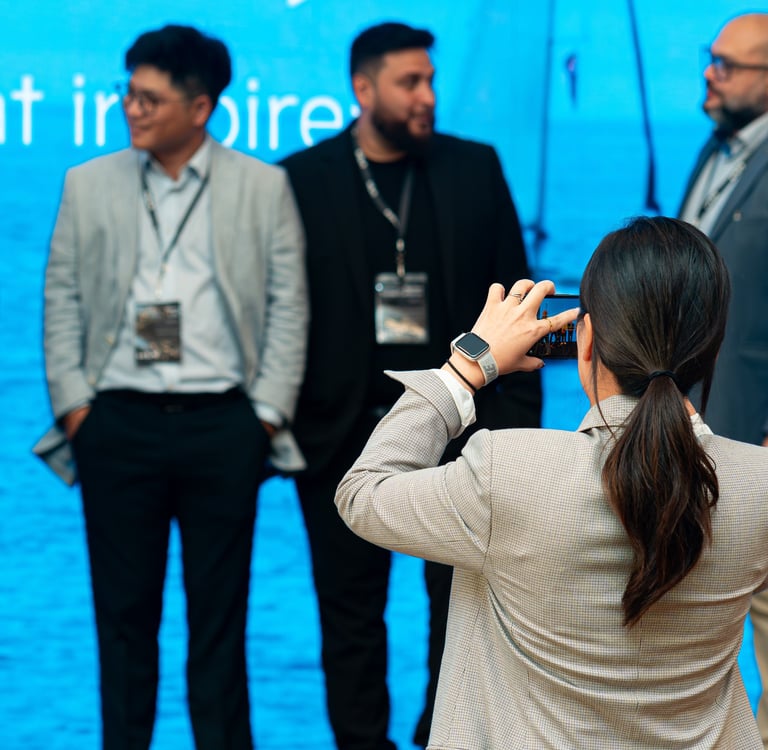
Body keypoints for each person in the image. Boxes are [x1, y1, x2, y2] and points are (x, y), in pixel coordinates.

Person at [336, 216, 768, 749]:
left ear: (587, 341)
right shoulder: (758, 487)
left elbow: (363, 493)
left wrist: (466, 366)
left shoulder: (508, 471)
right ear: (714, 350)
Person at [32, 24, 308, 750]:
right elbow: (61, 299)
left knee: (220, 623)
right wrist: (77, 408)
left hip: (225, 428)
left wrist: (266, 417)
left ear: (201, 106)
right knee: (123, 622)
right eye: (128, 94)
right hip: (115, 426)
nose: (132, 108)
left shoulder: (262, 186)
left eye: (149, 98)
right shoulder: (87, 183)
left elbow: (289, 306)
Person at [280, 21, 541, 750]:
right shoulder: (300, 179)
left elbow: (519, 302)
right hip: (339, 438)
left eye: (430, 79)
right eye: (409, 82)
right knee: (348, 621)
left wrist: (515, 435)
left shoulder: (475, 168)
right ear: (362, 89)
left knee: (460, 612)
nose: (427, 95)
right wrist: (295, 426)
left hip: (467, 440)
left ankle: (440, 739)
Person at [678, 12, 768, 745]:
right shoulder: (715, 150)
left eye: (728, 65)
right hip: (694, 440)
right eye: (711, 58)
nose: (711, 74)